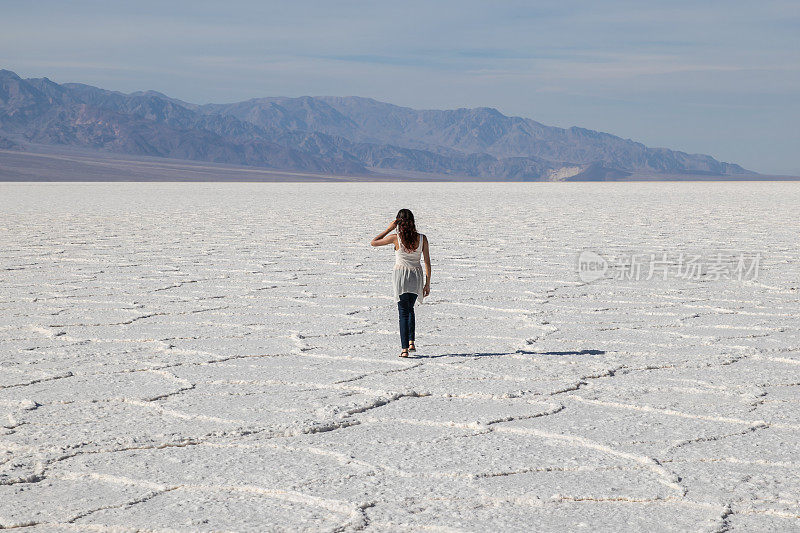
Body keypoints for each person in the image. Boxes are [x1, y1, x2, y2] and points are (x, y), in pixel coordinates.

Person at [371, 209, 431, 357]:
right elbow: (428, 263)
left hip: (401, 275)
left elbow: (373, 242)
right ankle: (411, 341)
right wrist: (427, 283)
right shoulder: (422, 238)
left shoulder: (395, 238)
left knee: (403, 312)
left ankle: (404, 349)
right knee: (410, 309)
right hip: (416, 275)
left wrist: (388, 229)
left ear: (399, 222)